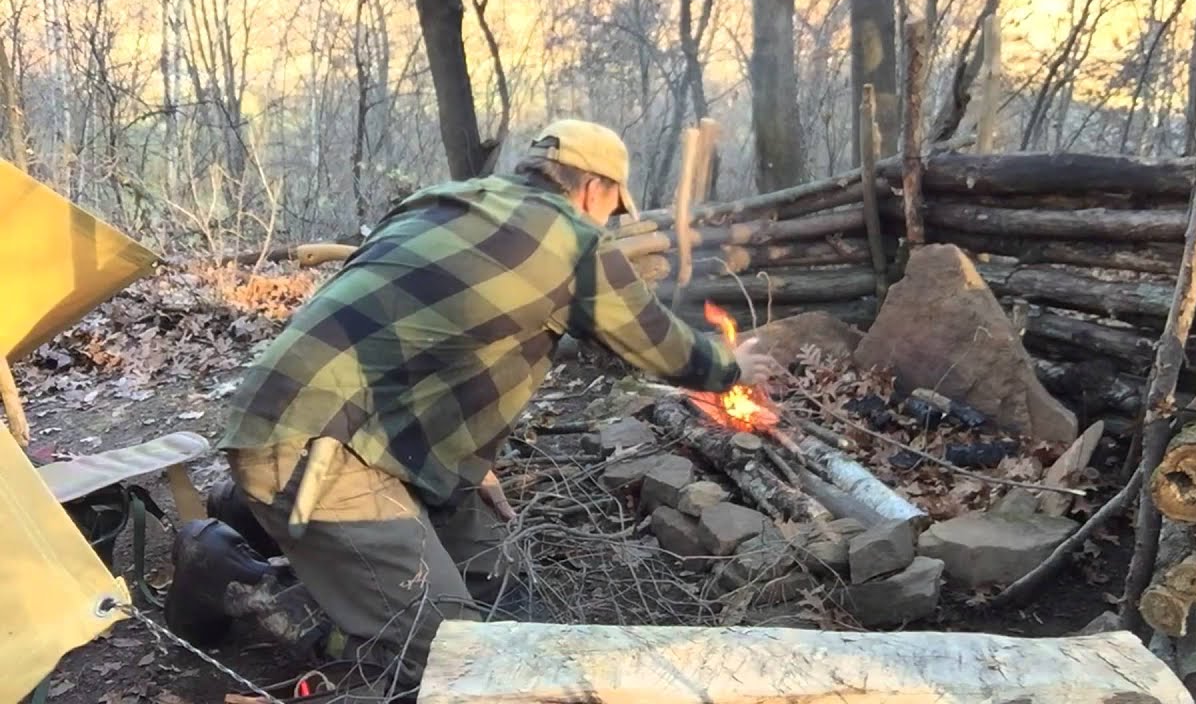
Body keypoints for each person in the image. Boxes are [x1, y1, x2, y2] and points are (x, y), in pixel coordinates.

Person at [164, 119, 778, 694]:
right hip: (319, 445)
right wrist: (730, 369)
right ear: (594, 188)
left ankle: (242, 509)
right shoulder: (574, 241)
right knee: (445, 657)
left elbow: (418, 330)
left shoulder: (440, 202)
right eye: (613, 208)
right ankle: (233, 577)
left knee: (494, 575)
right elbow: (660, 346)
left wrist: (467, 462)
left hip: (309, 416)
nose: (610, 224)